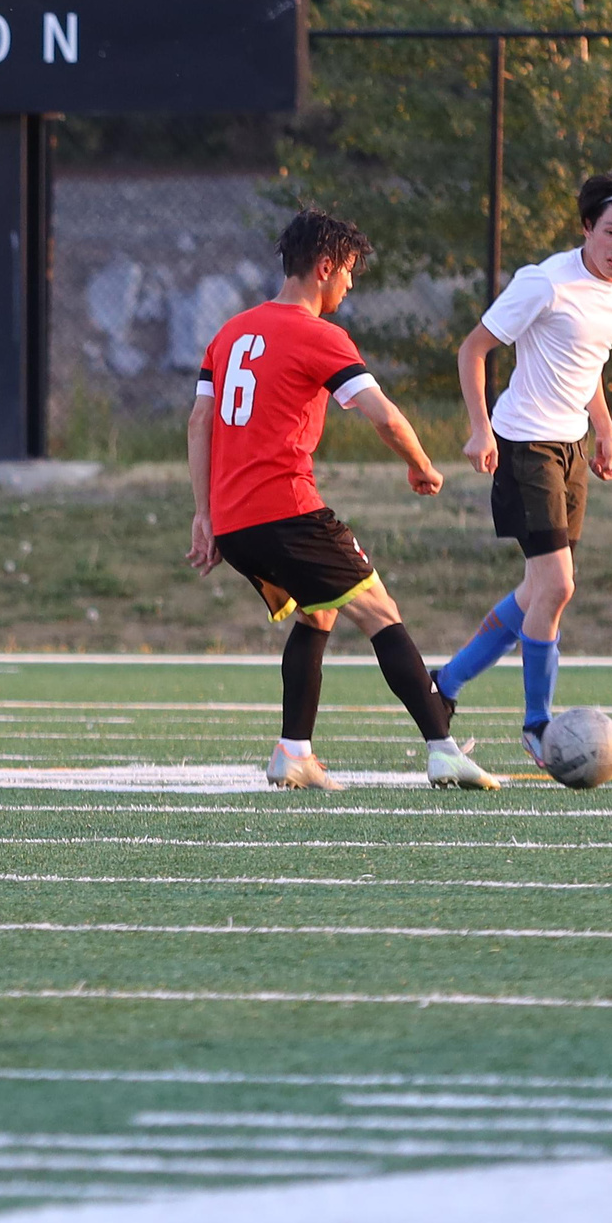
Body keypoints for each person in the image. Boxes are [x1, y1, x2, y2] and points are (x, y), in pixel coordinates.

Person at [186, 209, 498, 792]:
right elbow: (383, 415)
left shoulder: (228, 333)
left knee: (319, 612)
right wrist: (422, 465)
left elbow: (201, 420)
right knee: (380, 613)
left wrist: (204, 514)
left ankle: (294, 751)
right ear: (324, 266)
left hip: (234, 525)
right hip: (287, 512)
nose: (350, 285)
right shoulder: (318, 335)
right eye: (349, 271)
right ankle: (443, 748)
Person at [435, 168, 612, 764]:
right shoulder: (543, 284)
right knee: (559, 585)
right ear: (587, 227)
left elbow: (586, 364)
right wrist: (479, 427)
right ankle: (537, 724)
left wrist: (606, 428)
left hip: (570, 451)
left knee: (539, 589)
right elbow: (473, 349)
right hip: (524, 446)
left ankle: (446, 685)